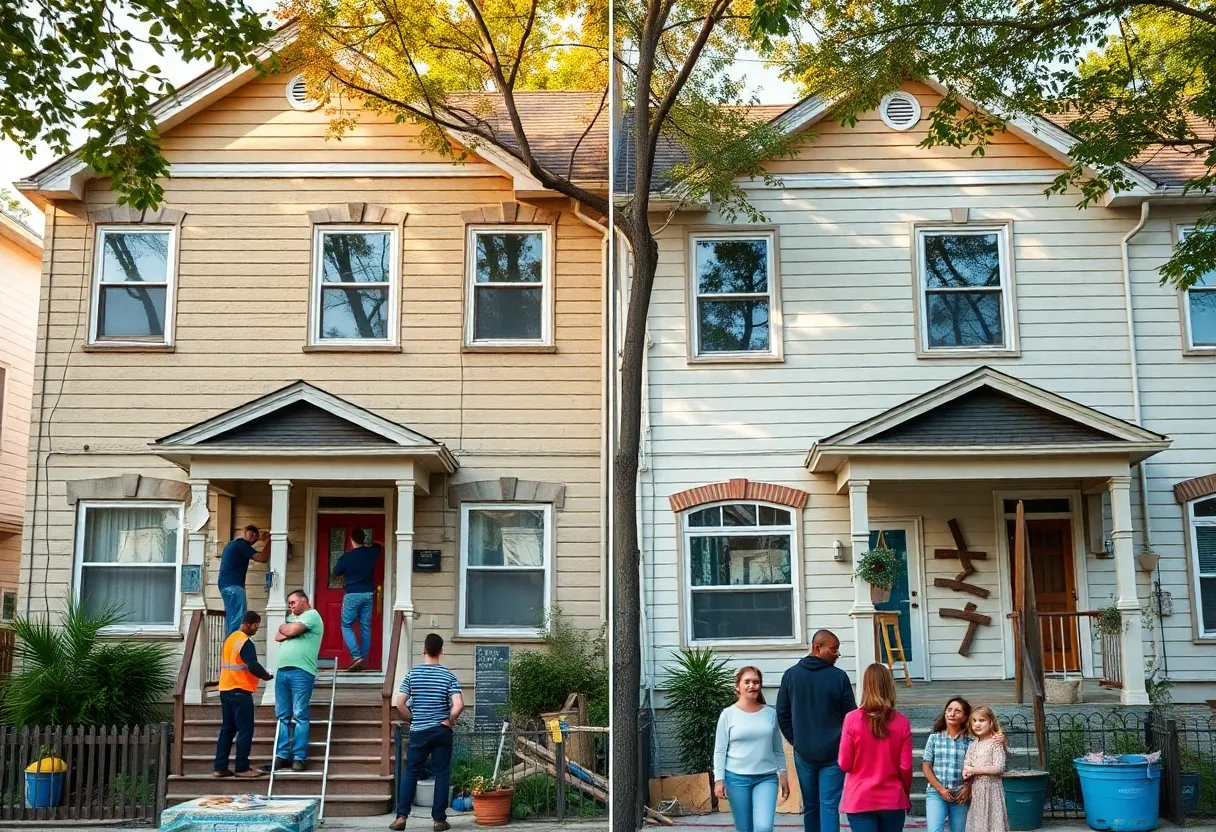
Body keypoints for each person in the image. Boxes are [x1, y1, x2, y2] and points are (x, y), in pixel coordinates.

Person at [776, 629, 856, 832]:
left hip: (804, 753)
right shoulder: (839, 677)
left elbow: (782, 714)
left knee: (811, 807)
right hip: (833, 755)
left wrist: (797, 740)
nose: (837, 653)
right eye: (834, 649)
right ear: (817, 648)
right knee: (829, 806)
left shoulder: (790, 675)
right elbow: (851, 716)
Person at [391, 633, 465, 832]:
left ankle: (401, 817)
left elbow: (400, 703)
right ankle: (439, 820)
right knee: (441, 774)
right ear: (441, 651)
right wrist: (449, 720)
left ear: (423, 649)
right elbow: (459, 704)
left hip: (420, 731)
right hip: (441, 731)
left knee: (411, 772)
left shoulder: (412, 675)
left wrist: (412, 719)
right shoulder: (449, 676)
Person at [713, 666, 790, 832]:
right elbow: (720, 749)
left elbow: (777, 748)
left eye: (756, 682)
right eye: (747, 682)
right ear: (738, 686)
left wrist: (783, 775)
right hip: (736, 778)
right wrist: (719, 779)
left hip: (766, 778)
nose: (752, 685)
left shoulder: (770, 713)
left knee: (763, 827)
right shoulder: (728, 714)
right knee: (744, 828)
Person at [837, 663, 912, 832]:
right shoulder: (902, 722)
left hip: (860, 797)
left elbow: (845, 764)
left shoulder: (852, 719)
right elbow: (906, 766)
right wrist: (905, 793)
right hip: (893, 798)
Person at [212, 611, 273, 778]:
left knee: (227, 729)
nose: (256, 629)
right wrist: (266, 676)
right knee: (245, 729)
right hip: (240, 690)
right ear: (247, 623)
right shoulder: (245, 642)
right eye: (255, 626)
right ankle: (242, 768)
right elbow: (252, 664)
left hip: (225, 689)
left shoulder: (230, 639)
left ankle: (220, 767)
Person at [273, 589, 324, 772]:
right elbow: (278, 635)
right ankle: (282, 756)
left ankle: (299, 757)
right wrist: (286, 629)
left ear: (304, 600)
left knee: (300, 714)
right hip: (282, 671)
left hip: (302, 671)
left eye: (293, 602)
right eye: (289, 603)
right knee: (283, 715)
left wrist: (288, 629)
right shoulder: (294, 618)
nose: (291, 606)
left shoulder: (312, 615)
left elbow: (289, 630)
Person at [332, 528, 383, 671]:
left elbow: (335, 572)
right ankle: (363, 660)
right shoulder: (372, 552)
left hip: (353, 594)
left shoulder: (347, 557)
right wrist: (371, 543)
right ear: (364, 539)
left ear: (351, 540)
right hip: (368, 594)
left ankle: (356, 656)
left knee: (346, 625)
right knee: (365, 626)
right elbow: (380, 544)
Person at [923, 698, 974, 832]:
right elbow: (926, 766)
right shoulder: (935, 738)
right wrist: (940, 789)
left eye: (958, 711)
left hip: (960, 795)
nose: (952, 714)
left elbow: (975, 768)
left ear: (965, 717)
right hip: (936, 793)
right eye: (949, 710)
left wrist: (968, 787)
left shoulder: (971, 741)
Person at [962, 706, 1008, 832]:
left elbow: (998, 768)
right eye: (974, 721)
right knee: (978, 824)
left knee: (993, 823)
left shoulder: (995, 743)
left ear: (991, 722)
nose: (977, 724)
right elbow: (967, 765)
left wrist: (973, 769)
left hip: (992, 790)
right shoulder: (973, 744)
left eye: (981, 720)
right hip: (977, 791)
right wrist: (966, 773)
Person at [218, 525, 271, 636]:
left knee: (232, 617)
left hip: (226, 586)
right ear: (243, 532)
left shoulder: (234, 545)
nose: (253, 535)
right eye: (250, 532)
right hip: (234, 586)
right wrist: (271, 539)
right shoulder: (241, 545)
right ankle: (234, 646)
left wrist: (262, 537)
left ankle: (230, 645)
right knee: (237, 619)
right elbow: (262, 558)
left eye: (255, 535)